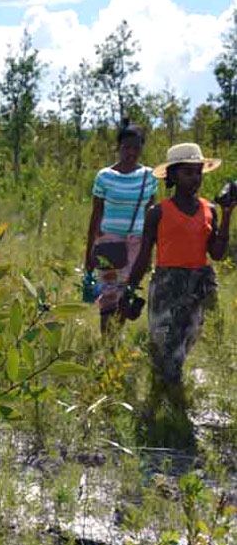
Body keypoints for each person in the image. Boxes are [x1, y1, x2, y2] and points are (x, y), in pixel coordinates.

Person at [125, 143, 233, 399]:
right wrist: (129, 289)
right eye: (187, 172)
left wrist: (227, 214)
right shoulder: (158, 212)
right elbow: (143, 255)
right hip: (167, 286)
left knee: (186, 341)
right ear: (172, 176)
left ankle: (169, 397)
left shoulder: (209, 210)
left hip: (197, 286)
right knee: (165, 345)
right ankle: (168, 401)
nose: (195, 178)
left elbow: (216, 253)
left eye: (198, 172)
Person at [83, 119, 155, 334]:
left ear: (142, 147)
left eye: (136, 147)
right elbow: (95, 215)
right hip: (109, 243)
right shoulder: (105, 176)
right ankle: (106, 344)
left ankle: (116, 339)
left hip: (137, 244)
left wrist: (149, 251)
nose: (130, 152)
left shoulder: (149, 177)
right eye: (126, 147)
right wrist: (89, 253)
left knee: (127, 293)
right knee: (109, 295)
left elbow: (151, 214)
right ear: (118, 147)